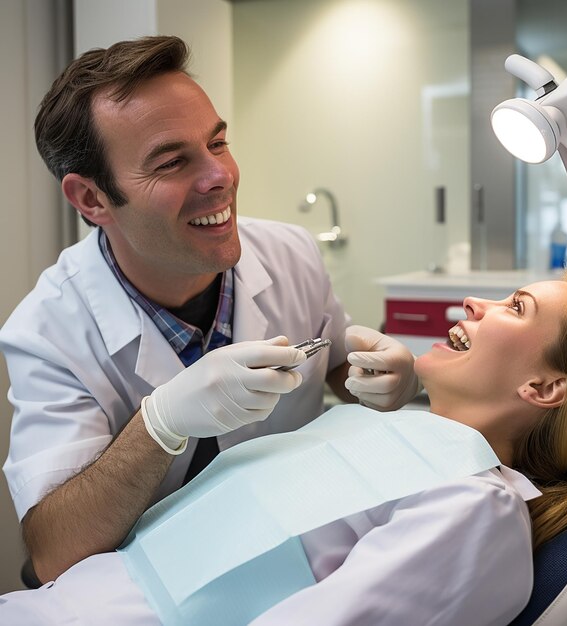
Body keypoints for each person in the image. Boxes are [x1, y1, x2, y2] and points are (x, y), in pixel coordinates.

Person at [0, 35, 419, 585]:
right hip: (157, 586)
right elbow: (54, 548)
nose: (220, 176)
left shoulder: (291, 253)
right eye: (173, 162)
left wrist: (386, 380)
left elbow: (340, 366)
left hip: (295, 554)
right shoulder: (48, 331)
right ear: (91, 199)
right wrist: (161, 424)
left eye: (217, 144)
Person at [1, 269, 567, 625]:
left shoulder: (474, 509)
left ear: (544, 387)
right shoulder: (380, 428)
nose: (473, 303)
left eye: (516, 307)